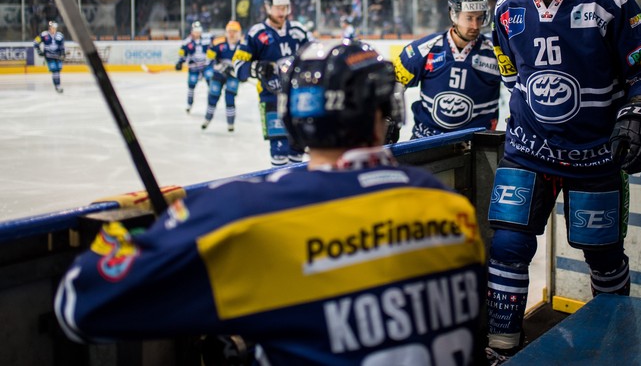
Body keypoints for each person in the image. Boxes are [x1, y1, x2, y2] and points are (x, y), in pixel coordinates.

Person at [53, 39, 488, 365]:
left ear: (294, 120)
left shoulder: (252, 214)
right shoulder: (445, 204)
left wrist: (128, 225)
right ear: (384, 111)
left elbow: (79, 307)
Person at [486, 0, 641, 361]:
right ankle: (501, 347)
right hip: (527, 149)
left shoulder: (609, 1)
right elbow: (509, 69)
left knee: (603, 258)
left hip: (594, 156)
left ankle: (616, 345)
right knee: (507, 247)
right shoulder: (508, 7)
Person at [393, 0, 502, 139]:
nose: (475, 25)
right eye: (469, 18)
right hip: (425, 140)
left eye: (480, 18)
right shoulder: (423, 50)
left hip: (477, 144)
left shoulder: (497, 53)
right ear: (453, 14)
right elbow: (393, 85)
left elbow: (521, 88)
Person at [233, 0, 313, 166]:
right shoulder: (256, 33)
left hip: (298, 99)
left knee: (297, 151)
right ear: (267, 8)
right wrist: (256, 68)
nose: (282, 11)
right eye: (278, 7)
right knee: (279, 152)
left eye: (285, 7)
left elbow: (316, 56)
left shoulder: (299, 31)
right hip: (271, 99)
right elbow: (238, 67)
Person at [201, 20, 243, 132]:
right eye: (230, 31)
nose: (232, 34)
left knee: (230, 98)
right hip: (218, 74)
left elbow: (247, 63)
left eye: (235, 31)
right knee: (213, 96)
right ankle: (207, 119)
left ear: (239, 33)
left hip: (233, 76)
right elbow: (209, 60)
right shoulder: (218, 43)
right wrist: (218, 66)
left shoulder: (244, 45)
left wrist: (240, 72)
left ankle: (230, 123)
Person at [175, 20, 213, 114]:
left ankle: (211, 103)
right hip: (194, 67)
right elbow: (182, 54)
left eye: (199, 30)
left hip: (206, 66)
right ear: (192, 31)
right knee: (191, 85)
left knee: (211, 82)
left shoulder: (207, 38)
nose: (197, 32)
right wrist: (180, 62)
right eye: (196, 30)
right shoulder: (187, 42)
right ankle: (189, 104)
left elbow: (215, 46)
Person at [33, 19, 65, 93]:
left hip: (57, 56)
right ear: (50, 27)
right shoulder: (44, 35)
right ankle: (58, 86)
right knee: (55, 71)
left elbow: (62, 46)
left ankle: (57, 85)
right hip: (49, 56)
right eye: (52, 27)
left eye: (54, 27)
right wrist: (38, 50)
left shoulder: (60, 35)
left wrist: (63, 53)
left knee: (58, 69)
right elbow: (35, 42)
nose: (53, 29)